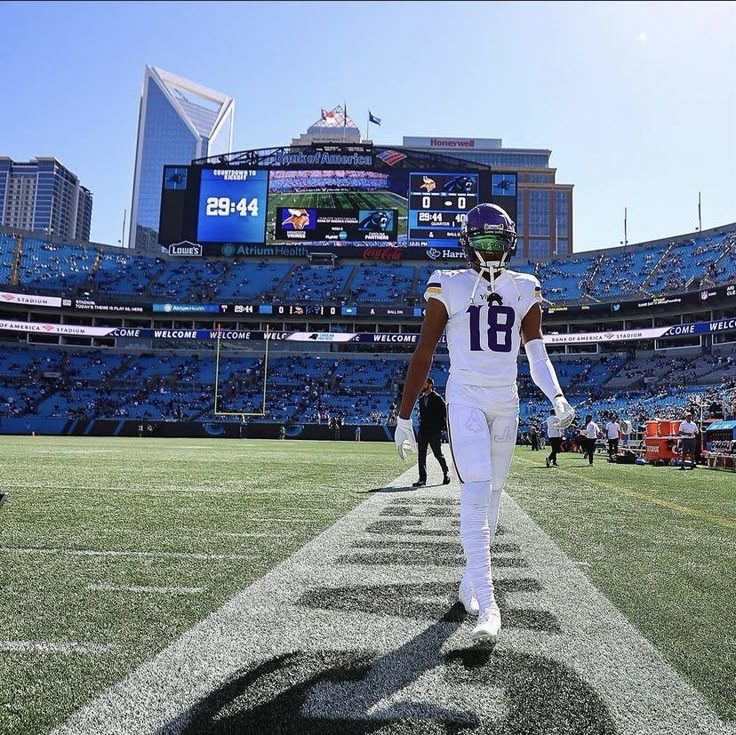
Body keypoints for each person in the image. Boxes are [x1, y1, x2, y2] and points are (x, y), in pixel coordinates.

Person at [394, 203, 575, 645]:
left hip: (506, 401)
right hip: (466, 397)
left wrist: (557, 394)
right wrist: (402, 414)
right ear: (468, 244)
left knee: (492, 499)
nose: (491, 251)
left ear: (509, 243)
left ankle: (468, 586)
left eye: (497, 242)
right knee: (476, 493)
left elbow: (535, 352)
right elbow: (424, 351)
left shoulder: (524, 288)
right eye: (484, 242)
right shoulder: (449, 284)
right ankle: (491, 607)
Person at [412, 377, 451, 488]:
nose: (422, 386)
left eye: (424, 383)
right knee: (421, 456)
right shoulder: (420, 400)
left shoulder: (438, 399)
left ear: (429, 384)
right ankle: (422, 479)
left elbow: (445, 414)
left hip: (434, 432)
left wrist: (443, 428)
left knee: (438, 454)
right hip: (423, 431)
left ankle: (446, 473)